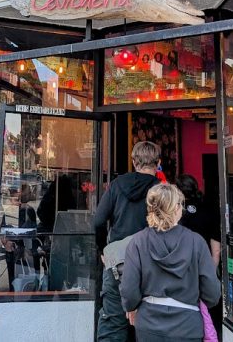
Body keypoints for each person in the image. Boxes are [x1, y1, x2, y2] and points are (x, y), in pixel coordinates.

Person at [119, 183, 221, 342]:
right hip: (188, 327)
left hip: (149, 326)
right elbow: (212, 295)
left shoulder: (138, 242)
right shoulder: (196, 242)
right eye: (181, 204)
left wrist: (131, 307)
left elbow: (129, 292)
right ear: (176, 208)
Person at [93, 141, 161, 342]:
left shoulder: (116, 185)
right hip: (151, 261)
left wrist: (103, 252)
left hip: (117, 260)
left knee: (113, 322)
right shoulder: (161, 190)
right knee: (151, 320)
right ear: (158, 163)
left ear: (133, 161)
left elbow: (98, 221)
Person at [175, 174, 220, 266]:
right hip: (202, 261)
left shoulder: (174, 211)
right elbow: (216, 250)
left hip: (180, 264)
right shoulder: (208, 209)